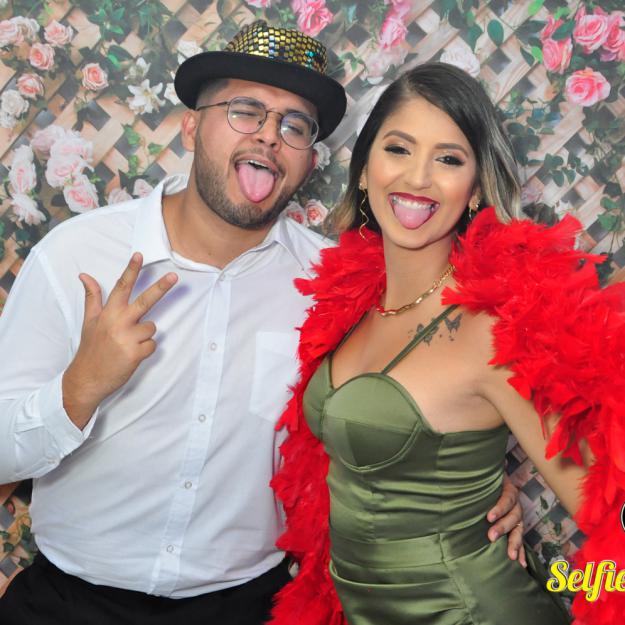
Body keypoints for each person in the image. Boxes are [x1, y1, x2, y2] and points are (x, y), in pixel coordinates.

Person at [0, 22, 524, 625]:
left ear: (309, 160)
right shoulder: (78, 257)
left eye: (295, 125)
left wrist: (458, 495)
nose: (270, 135)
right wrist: (79, 389)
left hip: (249, 607)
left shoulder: (334, 288)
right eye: (245, 111)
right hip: (68, 604)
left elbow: (381, 413)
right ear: (191, 126)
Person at [269, 62, 625, 625]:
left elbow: (609, 510)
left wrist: (577, 585)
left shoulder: (492, 330)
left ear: (475, 188)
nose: (418, 177)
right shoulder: (354, 306)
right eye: (398, 149)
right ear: (364, 170)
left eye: (449, 159)